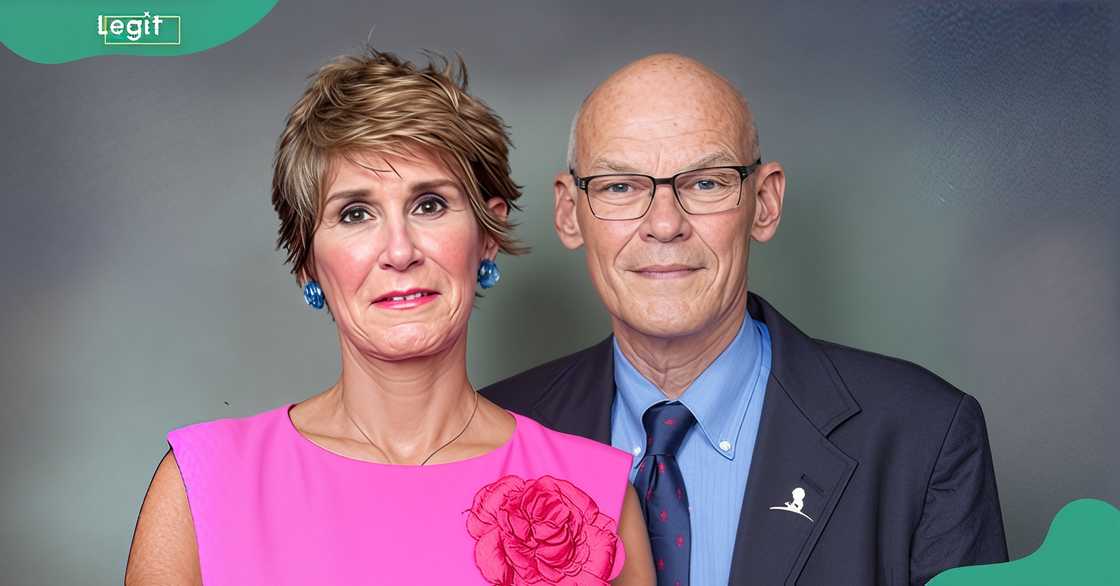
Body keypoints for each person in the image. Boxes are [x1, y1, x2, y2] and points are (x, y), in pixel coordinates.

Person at [124, 48, 654, 586]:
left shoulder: (597, 494)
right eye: (355, 214)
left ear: (487, 238)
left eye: (429, 205)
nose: (399, 251)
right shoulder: (203, 485)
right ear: (307, 262)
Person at [482, 53, 1008, 585]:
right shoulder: (491, 435)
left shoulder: (923, 435)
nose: (664, 225)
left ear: (765, 203)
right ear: (569, 213)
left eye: (705, 183)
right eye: (621, 187)